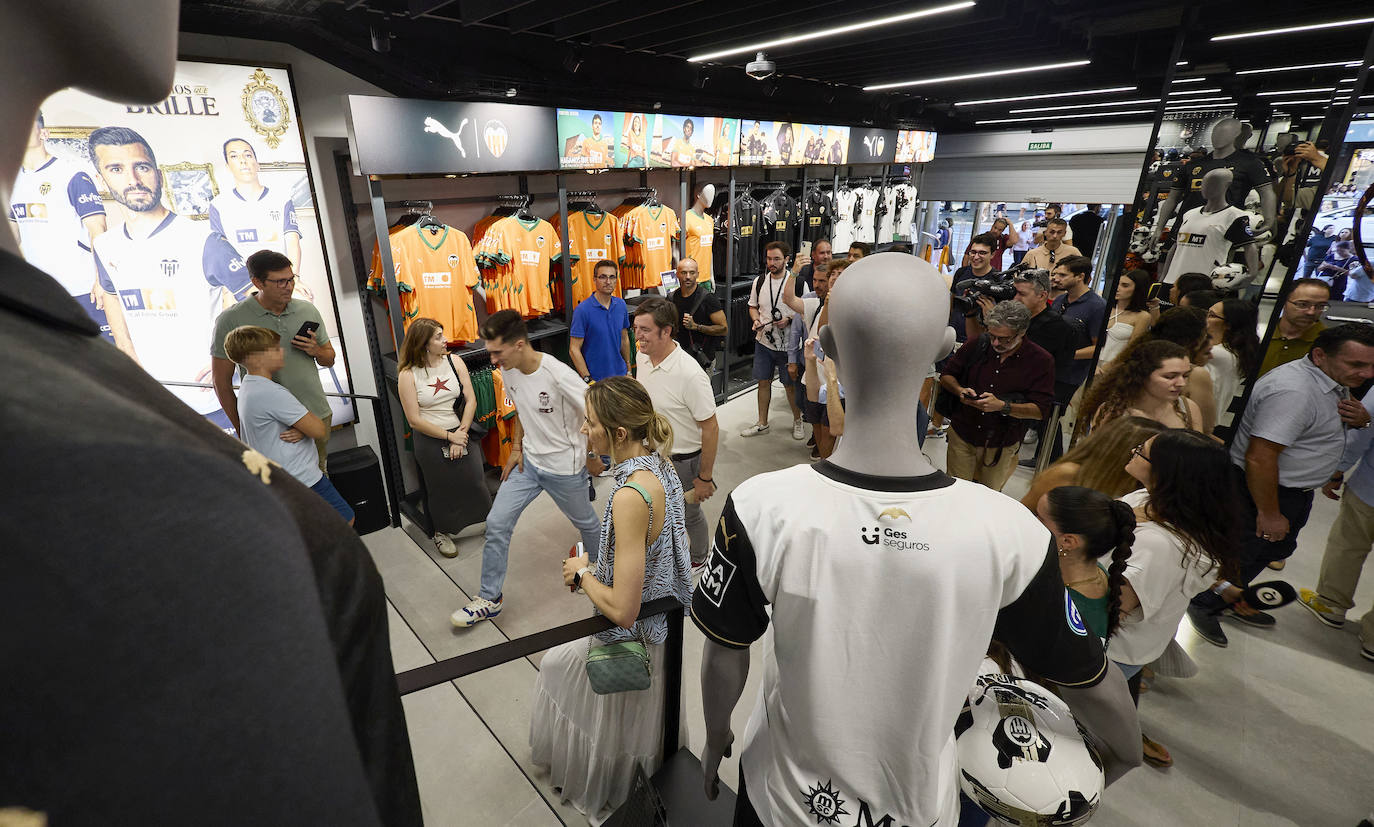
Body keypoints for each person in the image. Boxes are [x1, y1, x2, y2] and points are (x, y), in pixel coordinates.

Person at [3, 6, 422, 823]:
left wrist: (322, 363)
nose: (283, 291)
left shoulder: (298, 312)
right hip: (268, 433)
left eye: (288, 281)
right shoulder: (219, 354)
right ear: (254, 286)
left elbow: (324, 362)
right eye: (274, 283)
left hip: (301, 420)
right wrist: (230, 428)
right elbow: (231, 380)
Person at [695, 253, 1139, 827]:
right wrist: (1124, 754)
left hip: (778, 799)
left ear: (825, 342)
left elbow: (725, 652)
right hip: (919, 808)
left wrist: (714, 734)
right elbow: (1090, 680)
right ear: (947, 345)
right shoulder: (1011, 534)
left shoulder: (761, 507)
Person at [530, 376, 692, 820]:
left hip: (635, 642)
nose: (585, 430)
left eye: (590, 422)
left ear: (618, 433)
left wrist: (583, 576)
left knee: (555, 668)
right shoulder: (660, 467)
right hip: (663, 635)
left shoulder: (628, 496)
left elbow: (624, 609)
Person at [1188, 324, 1374, 646]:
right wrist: (1269, 512)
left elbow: (1315, 433)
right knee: (1244, 552)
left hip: (1288, 491)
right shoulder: (1295, 392)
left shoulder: (1330, 380)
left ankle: (1229, 598)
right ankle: (1204, 604)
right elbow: (1260, 457)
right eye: (1357, 365)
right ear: (1319, 355)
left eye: (1372, 365)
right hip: (1263, 491)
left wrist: (1362, 421)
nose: (1367, 373)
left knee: (1269, 549)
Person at [89, 125, 250, 429]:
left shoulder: (203, 240)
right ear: (101, 179)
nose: (133, 180)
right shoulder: (105, 246)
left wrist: (233, 353)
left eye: (142, 167)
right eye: (116, 169)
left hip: (215, 407)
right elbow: (118, 319)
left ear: (158, 173)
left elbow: (268, 305)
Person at [451, 310, 603, 628]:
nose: (492, 359)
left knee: (587, 523)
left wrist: (591, 454)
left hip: (565, 470)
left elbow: (596, 414)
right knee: (497, 523)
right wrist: (517, 447)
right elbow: (521, 407)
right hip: (530, 464)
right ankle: (490, 598)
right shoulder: (509, 368)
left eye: (497, 352)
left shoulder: (559, 375)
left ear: (519, 344)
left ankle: (603, 571)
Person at [1111, 430, 1242, 767]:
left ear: (1167, 472)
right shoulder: (1148, 500)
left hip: (1108, 650)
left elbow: (1113, 607)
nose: (1133, 450)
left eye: (1142, 450)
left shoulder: (1159, 543)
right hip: (1129, 645)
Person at [212, 249, 336, 469]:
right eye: (279, 282)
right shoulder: (231, 319)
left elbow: (329, 359)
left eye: (290, 280)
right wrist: (244, 432)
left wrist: (316, 350)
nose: (288, 287)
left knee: (320, 478)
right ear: (257, 282)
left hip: (316, 414)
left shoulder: (307, 310)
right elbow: (221, 384)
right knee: (287, 491)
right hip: (273, 427)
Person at [222, 325, 353, 524]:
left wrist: (301, 430)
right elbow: (318, 429)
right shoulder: (271, 392)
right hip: (301, 477)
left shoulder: (248, 387)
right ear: (256, 357)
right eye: (275, 349)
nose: (281, 351)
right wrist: (305, 429)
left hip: (283, 477)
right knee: (344, 519)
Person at [632, 297, 719, 566]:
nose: (638, 335)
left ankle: (699, 557)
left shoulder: (690, 374)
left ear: (666, 331)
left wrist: (704, 478)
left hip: (685, 461)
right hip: (654, 456)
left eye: (645, 329)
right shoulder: (642, 356)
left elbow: (711, 428)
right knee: (659, 511)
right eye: (636, 327)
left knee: (688, 515)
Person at [395, 317, 490, 557]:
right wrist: (450, 437)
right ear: (424, 343)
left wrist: (461, 433)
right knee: (439, 490)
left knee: (476, 481)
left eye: (442, 334)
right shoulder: (408, 375)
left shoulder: (454, 361)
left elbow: (471, 400)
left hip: (461, 432)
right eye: (438, 337)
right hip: (430, 440)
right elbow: (414, 420)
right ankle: (441, 532)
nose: (445, 339)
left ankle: (491, 523)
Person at [939, 300, 1055, 491]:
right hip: (963, 434)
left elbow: (1041, 410)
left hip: (1001, 443)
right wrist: (960, 390)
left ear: (1022, 332)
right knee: (956, 493)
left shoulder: (1040, 361)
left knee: (989, 498)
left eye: (1004, 339)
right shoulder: (979, 343)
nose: (995, 343)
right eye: (992, 336)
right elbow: (947, 376)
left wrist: (1003, 406)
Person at [11, 111, 109, 332]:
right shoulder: (11, 181)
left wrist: (101, 279)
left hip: (83, 288)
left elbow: (98, 229)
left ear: (43, 132)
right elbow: (13, 234)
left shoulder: (72, 174)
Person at [1302, 386, 1374, 662]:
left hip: (1370, 490)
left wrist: (1337, 469)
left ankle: (1331, 604)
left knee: (1348, 545)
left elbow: (1364, 428)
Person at [1036, 485, 1136, 641]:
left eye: (1039, 517)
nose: (1030, 520)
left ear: (1068, 541)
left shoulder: (1064, 607)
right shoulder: (1096, 571)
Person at [209, 138, 303, 287]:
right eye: (234, 156)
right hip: (244, 284)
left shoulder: (281, 199)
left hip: (280, 280)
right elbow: (222, 252)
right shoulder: (218, 205)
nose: (243, 161)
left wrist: (294, 277)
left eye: (248, 155)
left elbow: (292, 241)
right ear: (228, 166)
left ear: (257, 163)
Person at [1021, 416, 1167, 510]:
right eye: (1145, 452)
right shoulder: (1068, 474)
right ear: (1125, 450)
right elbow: (1025, 512)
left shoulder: (1142, 488)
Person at [741, 241, 803, 440]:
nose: (772, 262)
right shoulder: (759, 282)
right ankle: (762, 422)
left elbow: (806, 309)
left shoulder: (798, 283)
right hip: (764, 342)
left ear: (787, 259)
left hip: (789, 346)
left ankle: (798, 420)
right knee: (763, 382)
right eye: (769, 258)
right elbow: (752, 306)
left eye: (776, 258)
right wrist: (756, 319)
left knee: (790, 386)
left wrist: (790, 319)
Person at [1082, 340, 1200, 433]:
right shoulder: (1115, 411)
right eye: (1169, 377)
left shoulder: (1189, 408)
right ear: (1143, 375)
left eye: (1185, 375)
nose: (1181, 383)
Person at [1141, 307, 1217, 432]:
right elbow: (1206, 428)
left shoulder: (1139, 356)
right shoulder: (1197, 375)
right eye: (1170, 376)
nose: (1180, 382)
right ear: (1196, 338)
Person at [1050, 255, 1108, 390]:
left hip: (1072, 378)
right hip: (1050, 372)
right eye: (1055, 274)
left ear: (1080, 277)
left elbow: (1098, 347)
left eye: (1063, 275)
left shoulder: (1097, 306)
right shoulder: (1059, 300)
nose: (1056, 279)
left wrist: (1067, 356)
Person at [569, 260, 631, 383]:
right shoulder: (582, 310)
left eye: (612, 277)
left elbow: (624, 338)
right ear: (594, 279)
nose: (608, 282)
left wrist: (628, 369)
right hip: (597, 381)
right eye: (603, 277)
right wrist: (588, 379)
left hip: (621, 376)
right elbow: (573, 349)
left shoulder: (621, 305)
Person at [1206, 298, 1260, 431]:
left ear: (1228, 324)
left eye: (1212, 315)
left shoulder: (1222, 355)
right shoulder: (1233, 352)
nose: (1205, 319)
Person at [1260, 278, 1330, 376]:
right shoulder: (1258, 333)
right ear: (1283, 302)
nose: (1311, 312)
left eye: (1320, 306)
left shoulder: (1329, 344)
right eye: (1302, 304)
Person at [668, 257, 727, 369]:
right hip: (678, 359)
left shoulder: (708, 299)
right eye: (684, 273)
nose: (688, 277)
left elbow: (724, 329)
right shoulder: (671, 298)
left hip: (701, 360)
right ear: (677, 275)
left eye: (692, 273)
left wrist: (697, 327)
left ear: (697, 274)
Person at [1099, 269, 1153, 368]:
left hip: (1115, 367)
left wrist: (1109, 367)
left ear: (1138, 289)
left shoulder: (1142, 316)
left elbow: (1132, 348)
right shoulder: (1104, 308)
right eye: (1117, 283)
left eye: (1125, 285)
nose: (1117, 288)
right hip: (1088, 362)